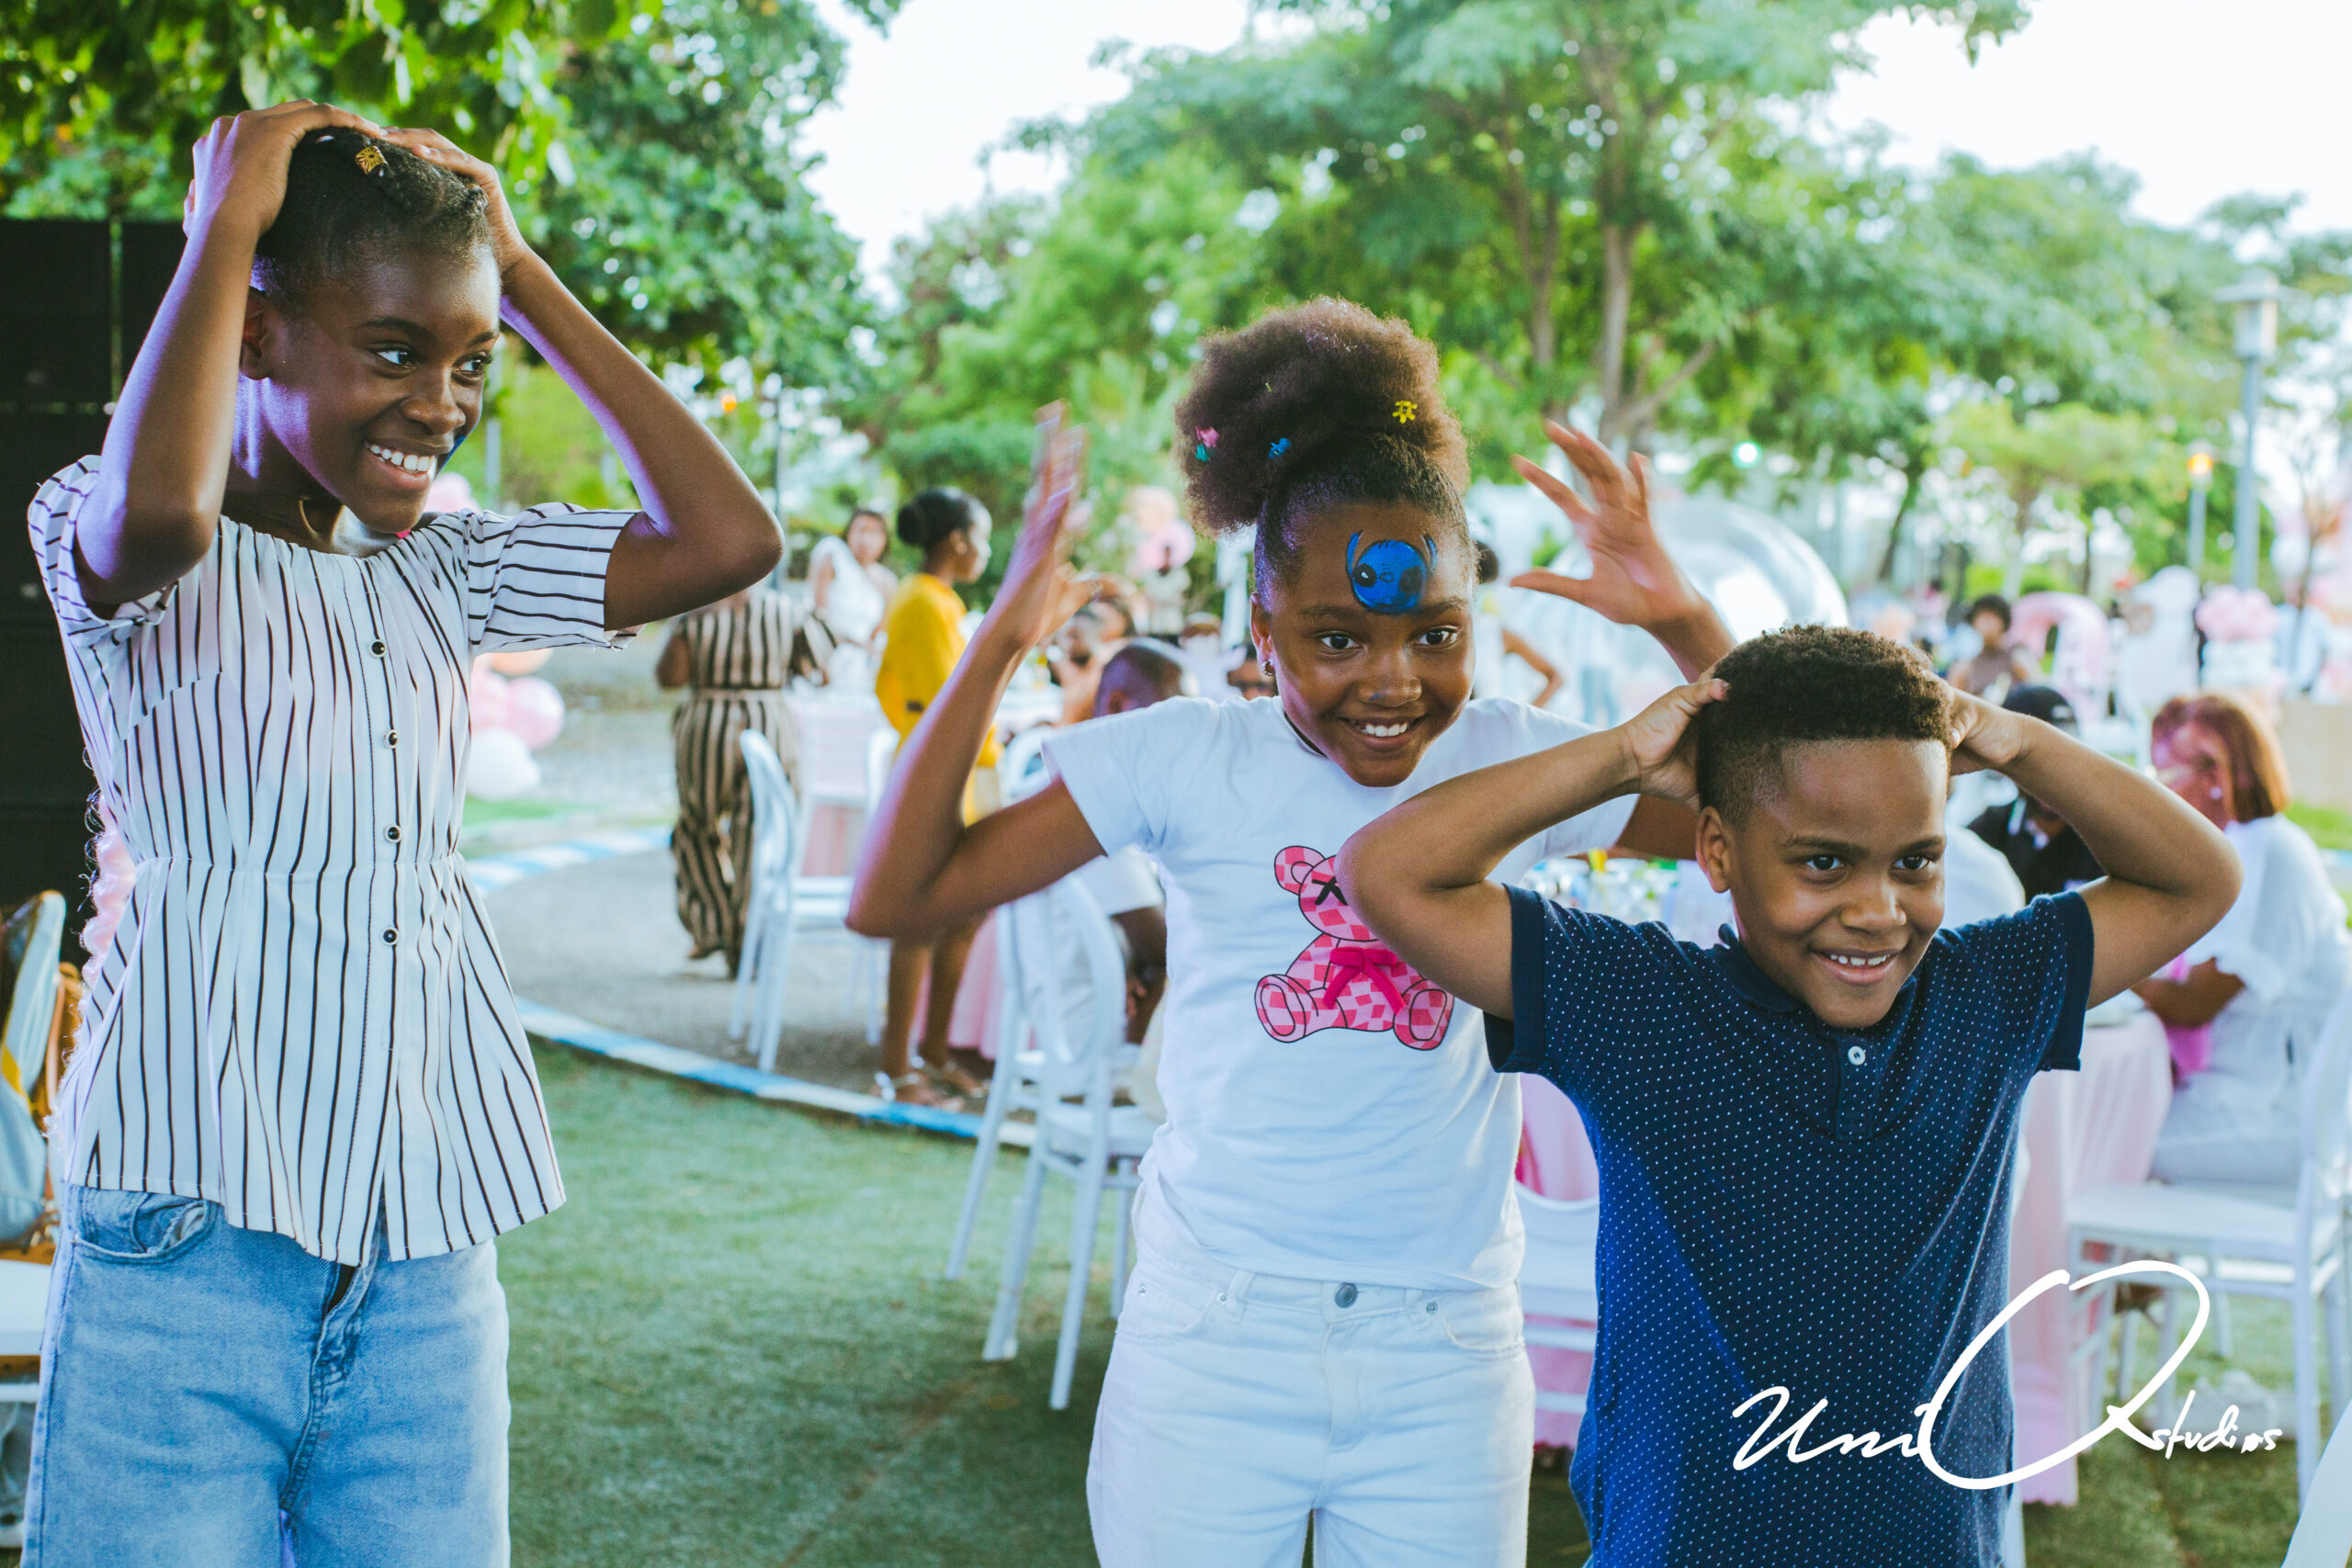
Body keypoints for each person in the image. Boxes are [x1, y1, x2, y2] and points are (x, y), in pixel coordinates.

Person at [848, 297, 1735, 1565]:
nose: (1392, 679)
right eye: (1336, 636)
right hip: (1213, 1339)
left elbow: (1777, 802)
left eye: (1436, 633)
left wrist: (1677, 613)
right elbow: (895, 897)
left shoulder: (1515, 760)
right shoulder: (1184, 755)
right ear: (1263, 635)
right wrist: (999, 638)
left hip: (1445, 1352)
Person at [25, 107, 779, 1564]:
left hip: (428, 1234)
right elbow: (167, 509)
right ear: (256, 334)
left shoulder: (449, 568)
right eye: (392, 350)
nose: (442, 402)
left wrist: (523, 269)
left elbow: (729, 538)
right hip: (190, 1223)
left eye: (471, 362)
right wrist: (226, 222)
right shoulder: (107, 521)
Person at [1340, 625, 2238, 1567]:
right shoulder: (1637, 1004)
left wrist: (2017, 741)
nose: (1877, 910)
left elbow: (2199, 878)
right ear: (1717, 852)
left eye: (1914, 861)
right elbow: (1387, 871)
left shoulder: (1985, 997)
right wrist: (1621, 758)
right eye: (1823, 863)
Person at [2137, 693, 2350, 1186]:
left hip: (2277, 1114)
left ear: (2215, 777)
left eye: (2165, 775)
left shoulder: (2267, 855)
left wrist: (2105, 969)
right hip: (2248, 1096)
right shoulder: (2241, 850)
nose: (2157, 793)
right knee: (2103, 1124)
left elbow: (2194, 1003)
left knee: (2102, 1141)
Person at [872, 488, 1001, 1107]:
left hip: (957, 770)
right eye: (984, 538)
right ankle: (898, 1069)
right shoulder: (923, 600)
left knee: (963, 914)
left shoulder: (936, 598)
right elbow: (949, 697)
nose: (987, 551)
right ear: (957, 540)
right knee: (921, 919)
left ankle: (935, 1053)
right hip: (939, 773)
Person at [656, 582, 802, 969]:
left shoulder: (696, 612)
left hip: (707, 724)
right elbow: (817, 668)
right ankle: (751, 936)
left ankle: (716, 927)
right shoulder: (788, 611)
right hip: (770, 722)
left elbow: (670, 677)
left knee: (696, 827)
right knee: (759, 832)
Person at [1965, 685, 2104, 898]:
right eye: (2036, 759)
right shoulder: (1987, 835)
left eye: (2065, 753)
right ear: (2006, 762)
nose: (2053, 771)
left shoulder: (2104, 840)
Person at [808, 505, 894, 686]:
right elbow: (817, 615)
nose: (866, 539)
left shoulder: (887, 581)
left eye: (875, 533)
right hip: (825, 661)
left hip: (863, 671)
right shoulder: (833, 558)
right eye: (861, 530)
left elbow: (881, 631)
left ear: (884, 540)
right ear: (849, 532)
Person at [1474, 540, 1565, 708]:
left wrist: (1521, 716)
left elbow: (1555, 677)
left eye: (1483, 585)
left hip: (1488, 724)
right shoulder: (1437, 631)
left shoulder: (1494, 631)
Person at [1950, 592, 2037, 698]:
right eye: (1982, 616)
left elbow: (2035, 693)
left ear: (2003, 622)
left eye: (1993, 616)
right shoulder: (1964, 668)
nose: (1987, 622)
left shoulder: (2017, 659)